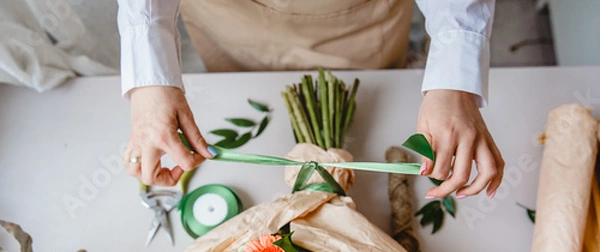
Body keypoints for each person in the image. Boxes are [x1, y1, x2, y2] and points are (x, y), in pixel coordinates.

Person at [117, 0, 504, 200]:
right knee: (238, 80)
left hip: (356, 19)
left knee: (374, 73)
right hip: (229, 16)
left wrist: (456, 78)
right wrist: (149, 76)